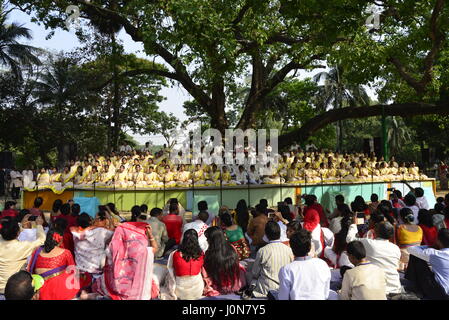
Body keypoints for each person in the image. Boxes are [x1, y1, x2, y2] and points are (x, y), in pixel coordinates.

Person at [93, 220, 159, 300]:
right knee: (153, 282)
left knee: (100, 282)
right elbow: (155, 248)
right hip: (136, 293)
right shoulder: (141, 251)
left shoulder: (115, 249)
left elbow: (109, 243)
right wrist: (150, 235)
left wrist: (118, 229)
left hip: (116, 288)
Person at [27, 228, 90, 300]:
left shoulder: (37, 250)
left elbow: (30, 269)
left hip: (39, 289)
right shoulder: (66, 253)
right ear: (60, 240)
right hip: (57, 290)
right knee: (85, 277)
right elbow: (72, 272)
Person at [346, 221, 402, 296]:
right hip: (395, 289)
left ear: (376, 232)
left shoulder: (370, 244)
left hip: (377, 291)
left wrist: (353, 224)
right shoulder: (396, 248)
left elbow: (350, 239)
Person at [278, 229, 331, 300]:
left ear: (291, 247)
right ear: (309, 247)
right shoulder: (322, 264)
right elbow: (326, 294)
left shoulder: (286, 269)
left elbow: (283, 298)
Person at [0, 215, 45, 296]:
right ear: (18, 233)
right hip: (12, 289)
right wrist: (39, 225)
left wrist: (20, 225)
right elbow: (41, 240)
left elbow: (10, 232)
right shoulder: (21, 247)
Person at [248, 221, 293, 298]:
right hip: (283, 289)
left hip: (265, 290)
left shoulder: (262, 250)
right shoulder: (288, 250)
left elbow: (255, 273)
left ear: (266, 235)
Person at [406, 229, 449, 299]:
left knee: (415, 255)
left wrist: (430, 246)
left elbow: (410, 249)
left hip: (441, 293)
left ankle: (415, 286)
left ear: (438, 241)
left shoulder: (436, 254)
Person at [161, 229, 205, 300]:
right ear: (196, 240)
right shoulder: (201, 254)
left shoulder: (175, 254)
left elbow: (171, 270)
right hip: (197, 291)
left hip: (179, 292)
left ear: (183, 240)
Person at [202, 226, 246, 296]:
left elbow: (208, 272)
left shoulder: (209, 254)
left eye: (207, 238)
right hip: (236, 284)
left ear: (212, 240)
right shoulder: (232, 247)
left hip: (221, 287)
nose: (207, 240)